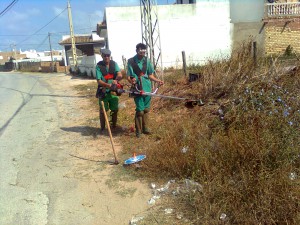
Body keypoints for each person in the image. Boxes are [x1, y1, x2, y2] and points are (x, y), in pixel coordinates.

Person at [127, 43, 164, 138]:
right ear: (136, 51)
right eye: (140, 52)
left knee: (146, 110)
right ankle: (138, 131)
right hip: (137, 88)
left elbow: (150, 75)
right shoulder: (131, 61)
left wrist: (158, 80)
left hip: (147, 88)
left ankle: (145, 128)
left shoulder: (147, 61)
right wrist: (132, 80)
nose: (142, 54)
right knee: (140, 110)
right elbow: (128, 76)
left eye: (144, 52)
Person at [96, 48, 123, 132]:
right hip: (103, 91)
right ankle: (103, 128)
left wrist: (117, 79)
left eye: (108, 56)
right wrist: (107, 85)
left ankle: (113, 126)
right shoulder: (98, 66)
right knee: (103, 110)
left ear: (110, 56)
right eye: (105, 56)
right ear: (102, 56)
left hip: (113, 91)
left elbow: (119, 74)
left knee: (115, 109)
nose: (106, 57)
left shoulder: (114, 64)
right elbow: (99, 81)